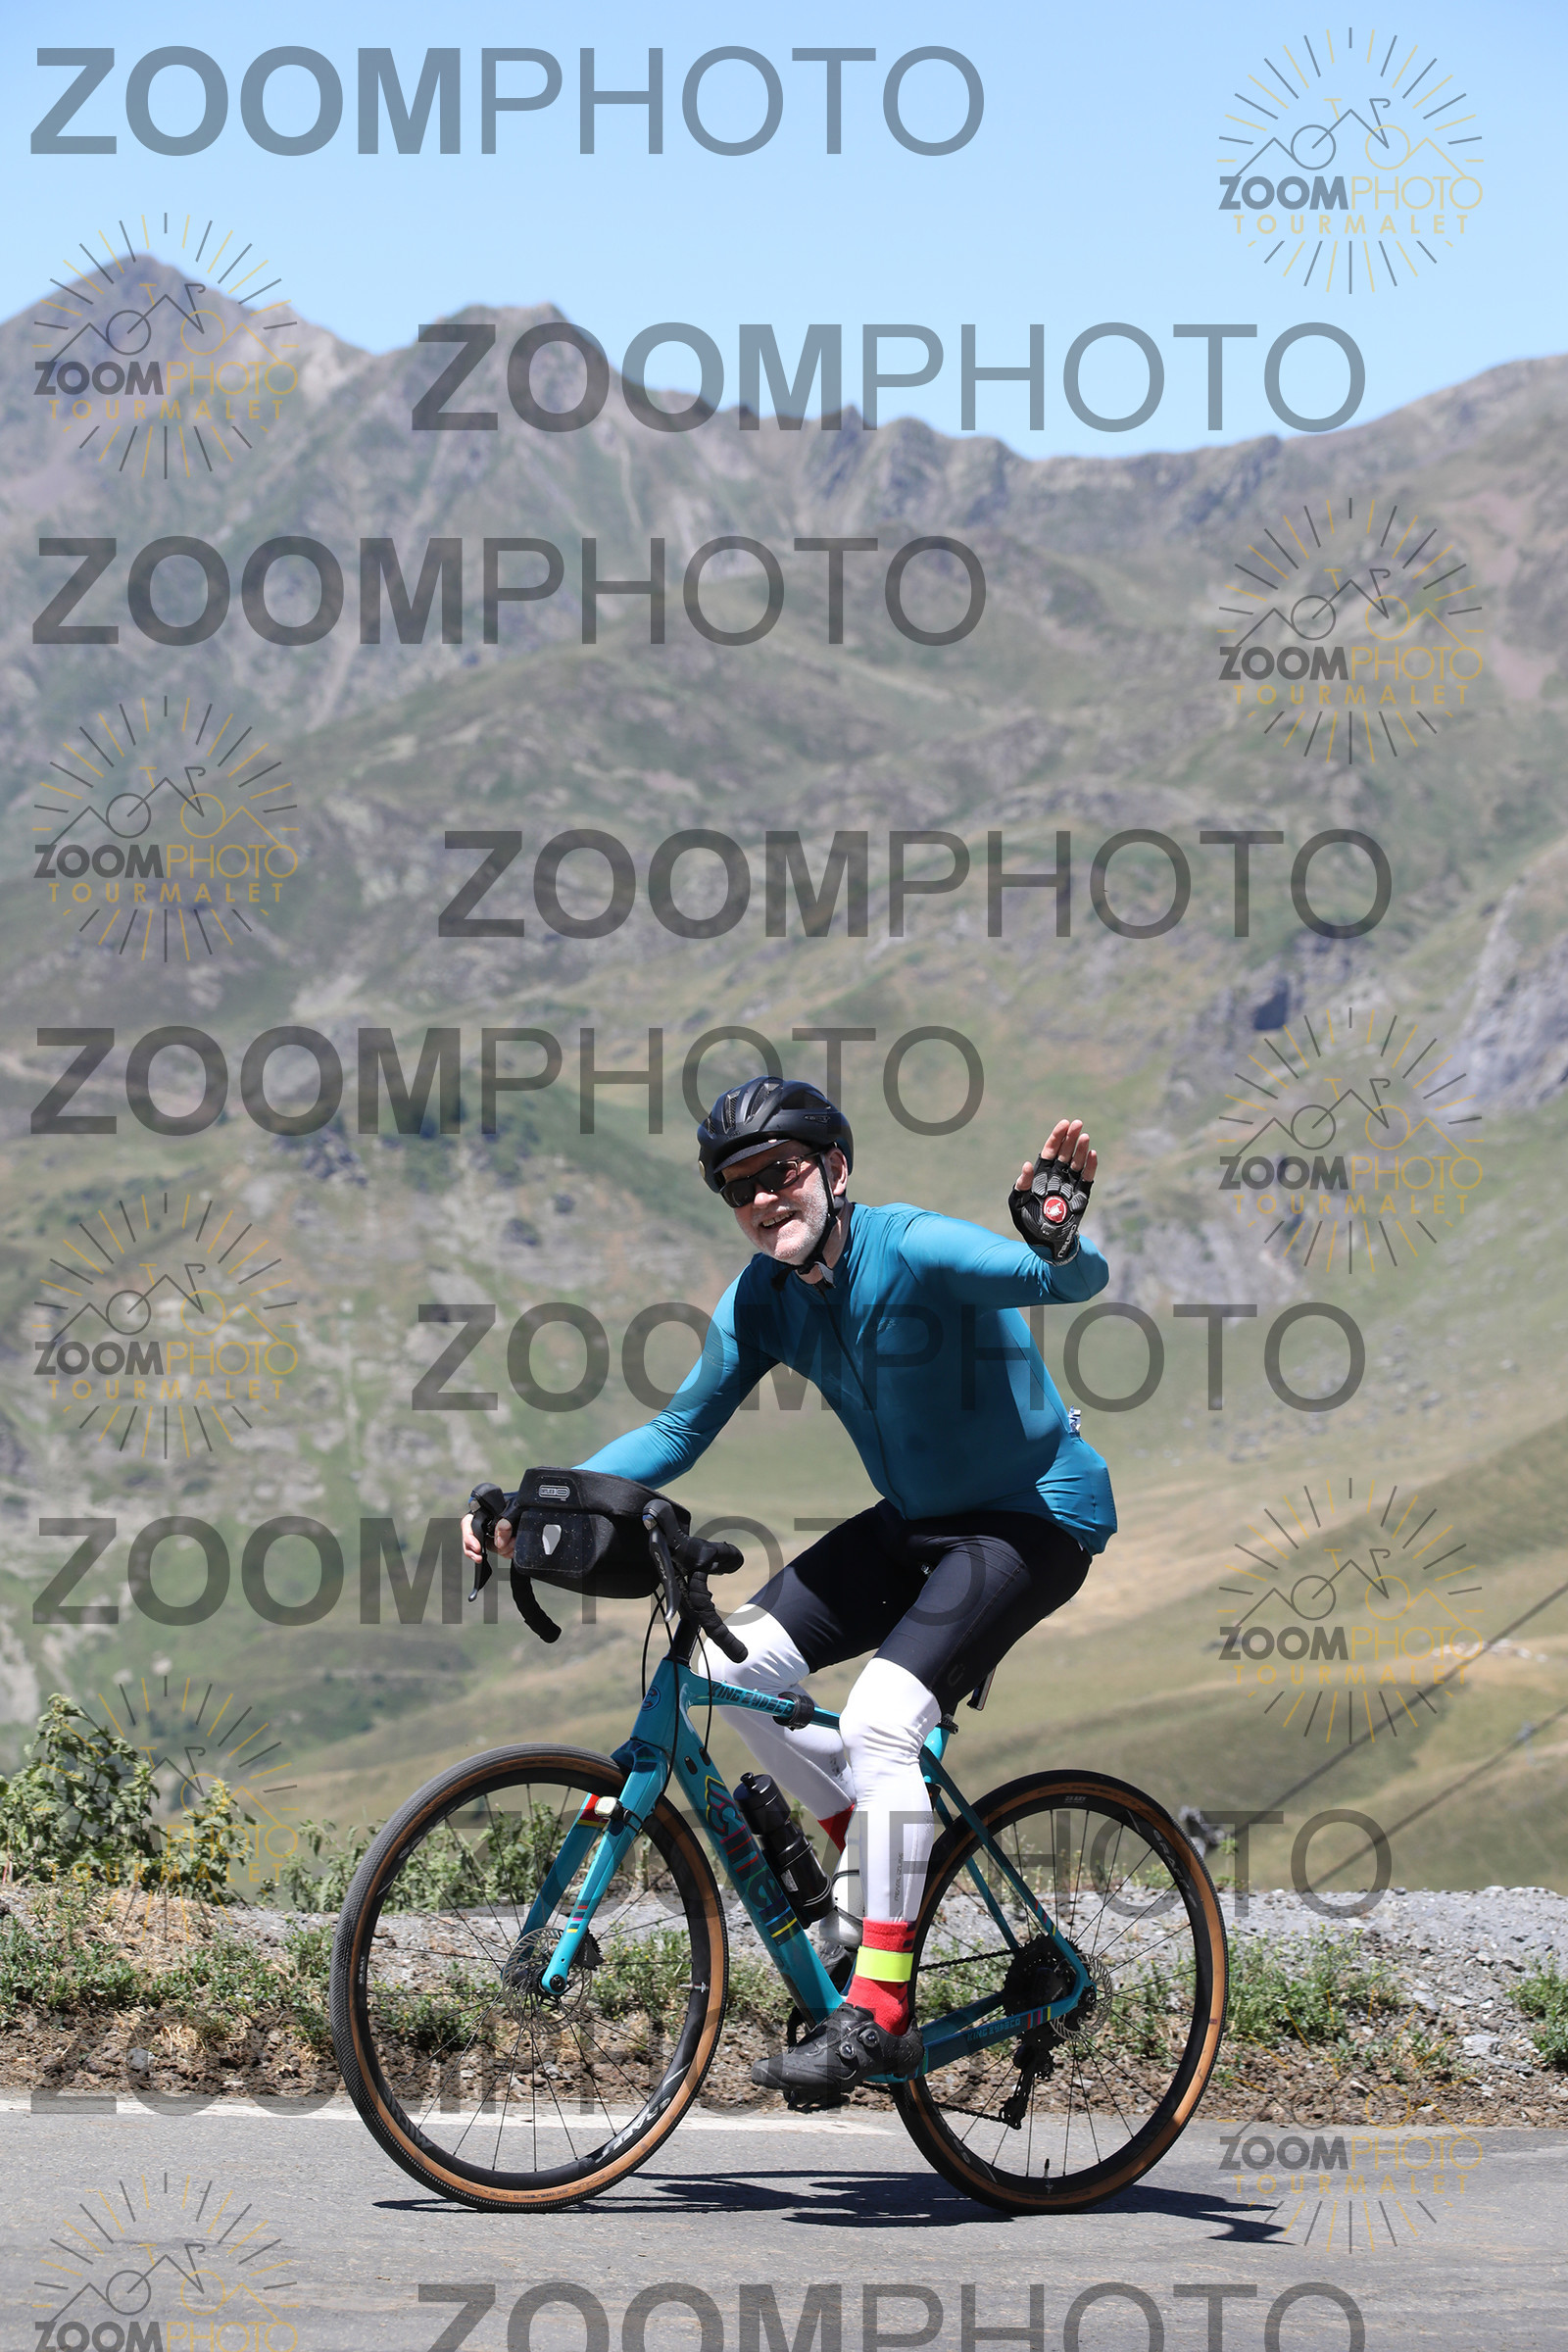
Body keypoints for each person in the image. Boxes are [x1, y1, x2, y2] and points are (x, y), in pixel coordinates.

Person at [463, 1075, 1115, 2097]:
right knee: (736, 1664)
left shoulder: (913, 1247)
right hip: (914, 1523)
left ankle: (881, 2015)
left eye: (783, 1171)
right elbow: (676, 1431)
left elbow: (1060, 1284)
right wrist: (544, 1502)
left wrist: (1058, 1239)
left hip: (1031, 1518)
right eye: (741, 1187)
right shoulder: (762, 1299)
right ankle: (872, 1858)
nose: (765, 1198)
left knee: (883, 1721)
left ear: (835, 1169)